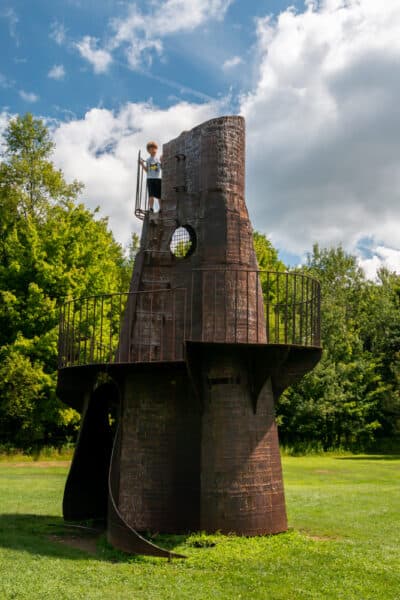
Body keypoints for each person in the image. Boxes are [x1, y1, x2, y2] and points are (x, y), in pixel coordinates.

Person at [140, 141, 162, 213]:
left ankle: (161, 208)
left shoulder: (158, 159)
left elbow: (162, 167)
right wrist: (142, 165)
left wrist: (162, 160)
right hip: (150, 178)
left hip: (158, 178)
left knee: (159, 195)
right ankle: (151, 208)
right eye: (151, 149)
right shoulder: (148, 160)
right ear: (149, 151)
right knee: (151, 195)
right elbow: (147, 170)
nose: (153, 150)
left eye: (155, 148)